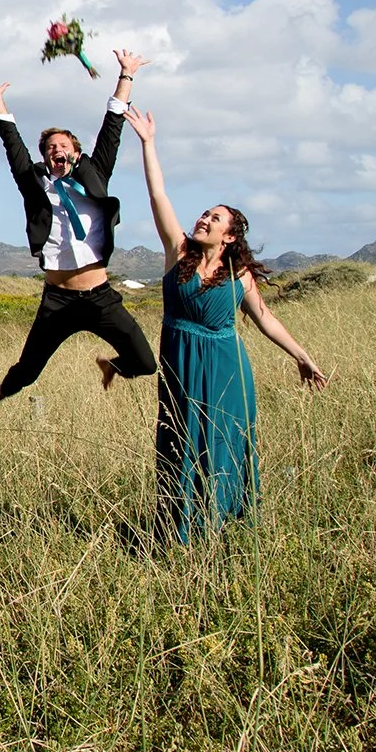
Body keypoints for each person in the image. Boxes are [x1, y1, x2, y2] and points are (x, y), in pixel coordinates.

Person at [122, 106, 327, 542]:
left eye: (215, 218)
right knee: (180, 443)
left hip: (227, 368)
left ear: (230, 236)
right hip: (181, 364)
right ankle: (178, 532)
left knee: (223, 446)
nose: (204, 219)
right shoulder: (178, 254)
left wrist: (302, 355)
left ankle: (223, 527)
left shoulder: (241, 276)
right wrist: (148, 144)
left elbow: (266, 319)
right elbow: (159, 197)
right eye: (204, 214)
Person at [0, 49, 158, 411]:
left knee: (145, 363)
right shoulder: (35, 185)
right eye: (50, 147)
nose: (56, 149)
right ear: (45, 156)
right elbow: (15, 151)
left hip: (100, 296)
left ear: (75, 152)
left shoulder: (95, 175)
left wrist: (126, 76)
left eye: (63, 145)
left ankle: (112, 366)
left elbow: (112, 128)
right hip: (57, 300)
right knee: (27, 371)